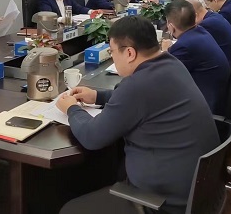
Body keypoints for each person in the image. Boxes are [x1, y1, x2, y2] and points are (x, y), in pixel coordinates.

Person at [56, 16, 219, 214]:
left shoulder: (137, 85)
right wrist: (98, 96)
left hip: (163, 202)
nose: (112, 57)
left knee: (69, 209)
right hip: (196, 188)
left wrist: (71, 109)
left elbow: (91, 137)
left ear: (129, 53)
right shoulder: (171, 64)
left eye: (112, 51)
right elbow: (143, 101)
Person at [161, 0, 230, 114]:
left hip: (204, 105)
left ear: (171, 26)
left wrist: (164, 51)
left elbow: (164, 76)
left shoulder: (184, 46)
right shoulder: (200, 31)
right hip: (217, 94)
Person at [184, 0, 231, 64]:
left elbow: (190, 46)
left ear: (193, 14)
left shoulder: (206, 24)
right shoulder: (215, 16)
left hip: (227, 64)